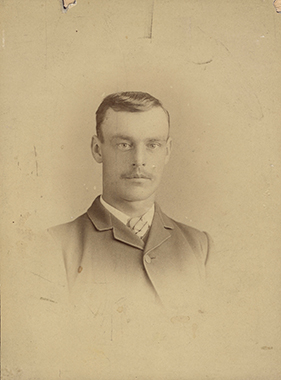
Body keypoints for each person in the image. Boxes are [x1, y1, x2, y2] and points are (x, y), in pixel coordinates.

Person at [48, 91, 212, 317]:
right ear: (97, 150)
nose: (139, 160)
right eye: (124, 144)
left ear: (167, 151)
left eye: (153, 144)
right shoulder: (56, 246)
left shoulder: (199, 246)